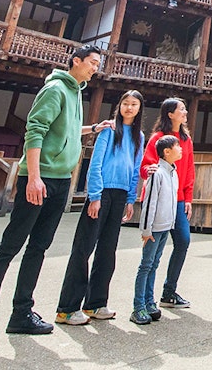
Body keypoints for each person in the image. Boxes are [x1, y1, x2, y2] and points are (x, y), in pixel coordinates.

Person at [0, 44, 109, 351]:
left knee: (38, 248)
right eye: (92, 62)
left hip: (59, 183)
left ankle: (21, 313)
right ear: (76, 61)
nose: (96, 68)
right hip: (39, 180)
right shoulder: (56, 89)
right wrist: (32, 177)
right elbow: (35, 130)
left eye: (98, 64)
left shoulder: (77, 92)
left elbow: (67, 130)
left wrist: (93, 128)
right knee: (9, 248)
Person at [56, 90, 146, 325]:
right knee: (83, 248)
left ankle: (96, 303)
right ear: (120, 106)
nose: (129, 108)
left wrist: (130, 198)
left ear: (139, 109)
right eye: (125, 103)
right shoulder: (108, 130)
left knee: (107, 250)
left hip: (120, 195)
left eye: (134, 104)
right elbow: (96, 163)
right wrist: (94, 195)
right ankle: (67, 308)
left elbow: (136, 168)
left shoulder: (139, 136)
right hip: (102, 192)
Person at [138, 98, 196, 310]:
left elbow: (189, 169)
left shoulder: (185, 140)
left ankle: (169, 292)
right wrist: (149, 172)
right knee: (153, 255)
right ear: (170, 114)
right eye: (181, 109)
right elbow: (145, 167)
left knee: (183, 240)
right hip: (159, 200)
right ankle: (145, 300)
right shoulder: (158, 138)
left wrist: (188, 197)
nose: (185, 112)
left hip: (179, 200)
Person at [132, 134, 180, 325]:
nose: (181, 149)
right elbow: (150, 203)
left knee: (154, 264)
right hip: (153, 228)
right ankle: (138, 307)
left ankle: (149, 302)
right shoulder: (157, 173)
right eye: (177, 146)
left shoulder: (173, 173)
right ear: (166, 152)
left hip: (165, 226)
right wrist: (146, 230)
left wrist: (171, 224)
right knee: (145, 265)